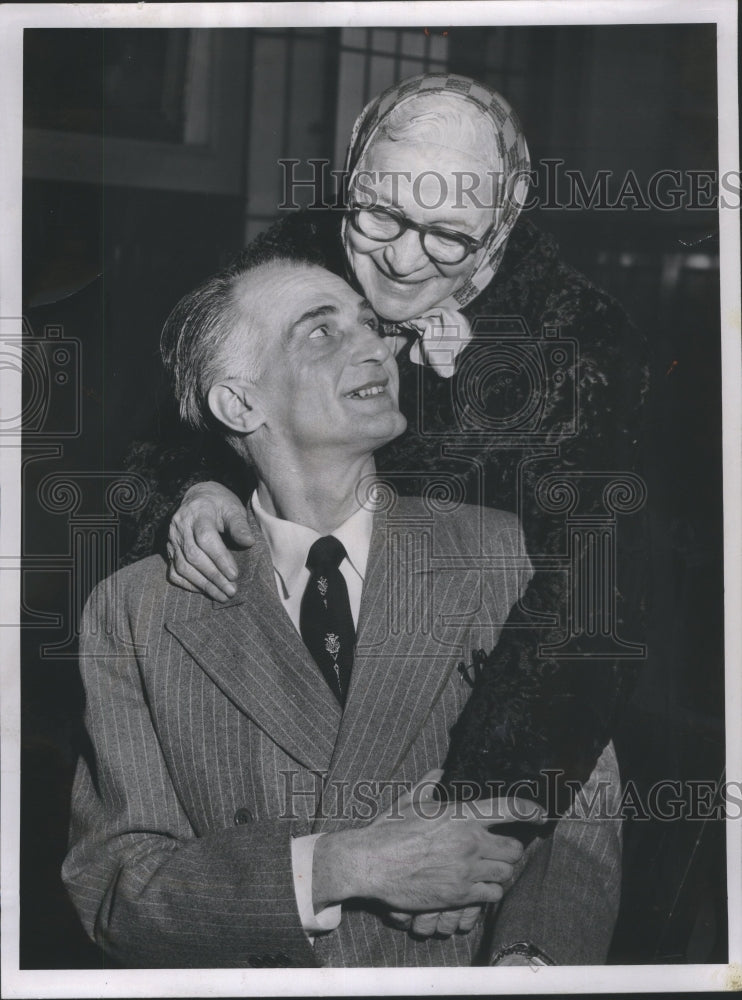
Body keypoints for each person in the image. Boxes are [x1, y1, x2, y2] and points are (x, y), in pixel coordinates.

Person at [64, 251, 622, 968]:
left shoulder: (496, 554)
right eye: (321, 332)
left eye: (371, 325)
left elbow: (584, 787)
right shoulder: (134, 613)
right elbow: (115, 888)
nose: (377, 346)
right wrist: (339, 866)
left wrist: (528, 958)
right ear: (239, 402)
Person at [151, 74, 647, 807]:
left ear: (501, 227)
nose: (403, 261)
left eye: (448, 236)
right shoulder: (293, 254)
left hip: (479, 699)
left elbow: (586, 598)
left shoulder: (580, 337)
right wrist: (193, 484)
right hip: (302, 674)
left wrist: (476, 805)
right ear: (352, 174)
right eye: (380, 214)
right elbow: (180, 416)